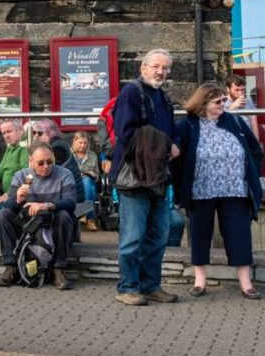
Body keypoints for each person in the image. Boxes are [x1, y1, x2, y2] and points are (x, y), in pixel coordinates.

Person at [172, 82, 263, 299]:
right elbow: (176, 160)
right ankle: (200, 281)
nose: (223, 104)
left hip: (235, 190)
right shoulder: (188, 125)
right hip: (200, 190)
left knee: (239, 235)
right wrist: (181, 184)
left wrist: (250, 173)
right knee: (199, 234)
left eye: (224, 100)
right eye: (218, 101)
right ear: (203, 102)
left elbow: (255, 151)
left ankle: (246, 283)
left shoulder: (235, 122)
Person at [110, 48, 180, 306]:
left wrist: (176, 144)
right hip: (135, 176)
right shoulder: (131, 92)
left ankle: (150, 285)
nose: (160, 71)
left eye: (165, 68)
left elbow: (173, 131)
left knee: (158, 236)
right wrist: (165, 145)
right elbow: (125, 133)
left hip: (158, 176)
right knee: (132, 237)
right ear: (143, 67)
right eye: (156, 66)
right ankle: (127, 287)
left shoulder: (163, 97)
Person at [0, 142, 77, 290]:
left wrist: (47, 205)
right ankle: (10, 267)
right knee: (3, 214)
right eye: (41, 163)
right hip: (30, 224)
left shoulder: (64, 174)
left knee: (64, 215)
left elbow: (71, 202)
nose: (46, 166)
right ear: (30, 161)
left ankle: (58, 269)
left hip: (53, 221)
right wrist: (18, 199)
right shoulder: (21, 176)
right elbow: (8, 206)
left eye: (50, 161)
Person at [30, 119, 86, 218]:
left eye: (40, 133)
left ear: (50, 133)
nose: (36, 136)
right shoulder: (56, 145)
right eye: (34, 133)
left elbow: (52, 175)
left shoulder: (57, 148)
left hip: (72, 194)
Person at [70, 131, 101, 231]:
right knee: (88, 186)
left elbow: (97, 174)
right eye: (80, 143)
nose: (83, 146)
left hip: (88, 181)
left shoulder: (92, 156)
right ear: (74, 142)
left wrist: (90, 174)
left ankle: (83, 214)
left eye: (85, 143)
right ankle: (90, 219)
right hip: (71, 183)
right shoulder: (68, 154)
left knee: (87, 182)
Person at [225, 74, 260, 140]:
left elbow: (254, 126)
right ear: (228, 89)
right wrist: (233, 107)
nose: (240, 93)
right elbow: (220, 121)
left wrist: (256, 145)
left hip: (247, 139)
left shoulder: (248, 102)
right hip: (231, 140)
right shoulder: (221, 102)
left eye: (242, 90)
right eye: (237, 90)